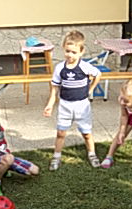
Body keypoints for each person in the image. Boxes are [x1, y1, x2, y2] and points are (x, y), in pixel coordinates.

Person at [43, 30, 102, 171]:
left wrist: (90, 89)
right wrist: (50, 105)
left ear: (81, 52)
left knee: (86, 133)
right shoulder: (59, 68)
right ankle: (56, 156)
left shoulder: (84, 66)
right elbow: (54, 89)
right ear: (64, 49)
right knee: (61, 133)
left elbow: (98, 74)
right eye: (67, 51)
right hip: (65, 105)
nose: (70, 55)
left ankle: (92, 154)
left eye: (74, 52)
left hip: (82, 105)